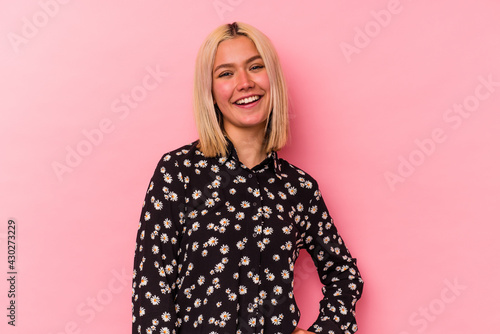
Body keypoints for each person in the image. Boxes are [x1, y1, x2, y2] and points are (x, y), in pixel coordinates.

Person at [131, 22, 363, 334]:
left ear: (273, 78)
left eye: (255, 67)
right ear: (211, 91)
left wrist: (327, 329)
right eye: (226, 73)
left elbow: (344, 274)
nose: (244, 83)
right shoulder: (178, 172)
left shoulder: (299, 189)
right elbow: (152, 292)